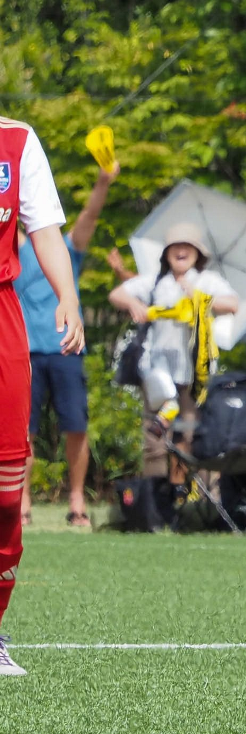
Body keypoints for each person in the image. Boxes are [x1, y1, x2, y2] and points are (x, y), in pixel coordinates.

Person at [0, 116, 85, 677]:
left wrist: (68, 296)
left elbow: (46, 229)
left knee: (7, 488)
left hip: (2, 314)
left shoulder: (18, 139)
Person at [15, 163, 118, 528]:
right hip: (25, 352)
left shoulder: (68, 249)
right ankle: (21, 502)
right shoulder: (17, 248)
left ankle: (77, 501)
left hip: (66, 349)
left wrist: (103, 181)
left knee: (76, 425)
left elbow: (90, 214)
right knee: (22, 431)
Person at [110, 224, 239, 485]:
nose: (181, 251)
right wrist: (135, 304)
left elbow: (233, 304)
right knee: (155, 437)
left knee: (193, 436)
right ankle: (156, 498)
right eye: (175, 247)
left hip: (194, 375)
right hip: (158, 373)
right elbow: (117, 294)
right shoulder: (157, 281)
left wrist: (200, 298)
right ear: (167, 253)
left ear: (196, 253)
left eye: (187, 246)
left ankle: (198, 497)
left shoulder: (207, 281)